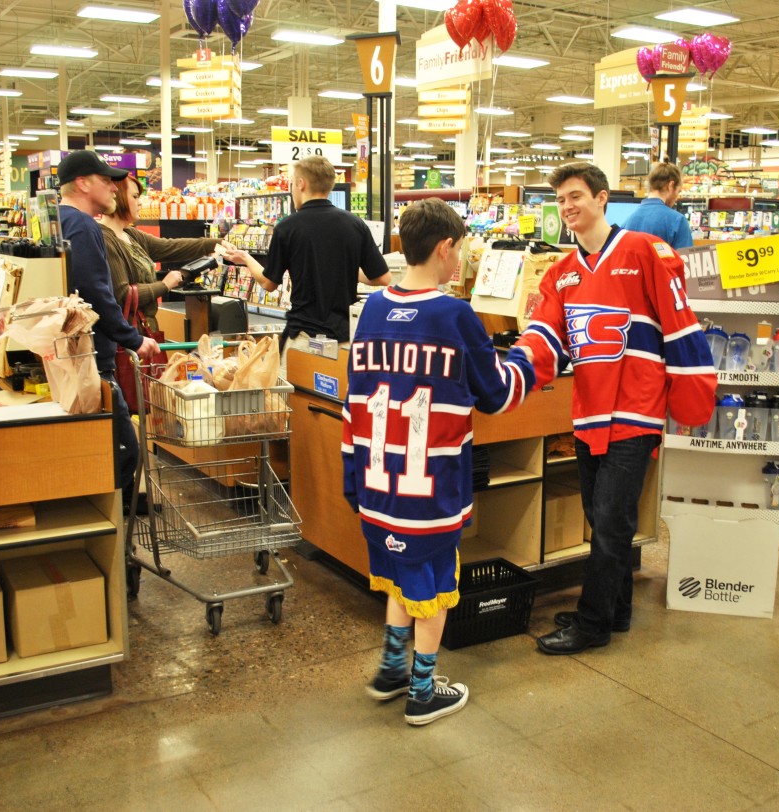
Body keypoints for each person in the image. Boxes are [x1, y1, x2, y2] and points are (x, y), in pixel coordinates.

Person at [342, 198, 536, 725]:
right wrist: (533, 349)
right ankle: (423, 692)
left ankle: (390, 670)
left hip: (379, 486)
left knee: (401, 579)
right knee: (434, 590)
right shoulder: (454, 315)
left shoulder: (375, 309)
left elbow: (353, 401)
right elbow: (495, 395)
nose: (463, 261)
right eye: (462, 250)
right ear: (446, 246)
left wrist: (352, 479)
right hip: (430, 491)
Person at [514, 162, 716, 655]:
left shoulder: (645, 252)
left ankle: (592, 624)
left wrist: (691, 393)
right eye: (560, 200)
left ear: (602, 198)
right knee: (600, 516)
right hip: (588, 412)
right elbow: (546, 335)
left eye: (576, 196)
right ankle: (615, 608)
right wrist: (514, 368)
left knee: (609, 520)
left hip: (636, 411)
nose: (567, 207)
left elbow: (679, 322)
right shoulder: (561, 274)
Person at [221, 156, 390, 372]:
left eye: (292, 183)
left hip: (302, 339)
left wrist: (245, 258)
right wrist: (342, 268)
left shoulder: (287, 227)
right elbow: (383, 277)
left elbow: (268, 283)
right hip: (343, 341)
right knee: (333, 404)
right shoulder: (355, 224)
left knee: (296, 402)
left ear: (301, 184)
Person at [58, 150, 159, 501]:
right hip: (91, 355)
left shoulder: (58, 219)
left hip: (64, 352)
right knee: (123, 447)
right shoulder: (85, 226)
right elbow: (97, 293)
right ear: (83, 184)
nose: (114, 189)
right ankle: (118, 542)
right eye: (105, 181)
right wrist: (133, 338)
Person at [99, 173, 220, 335]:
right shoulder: (106, 239)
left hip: (144, 328)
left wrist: (217, 243)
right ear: (119, 198)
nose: (140, 203)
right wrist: (165, 285)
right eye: (135, 197)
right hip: (128, 334)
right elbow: (123, 295)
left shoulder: (131, 234)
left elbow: (171, 247)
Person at [622, 161, 694, 249]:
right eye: (678, 191)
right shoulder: (677, 221)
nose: (676, 198)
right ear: (671, 186)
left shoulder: (627, 222)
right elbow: (684, 260)